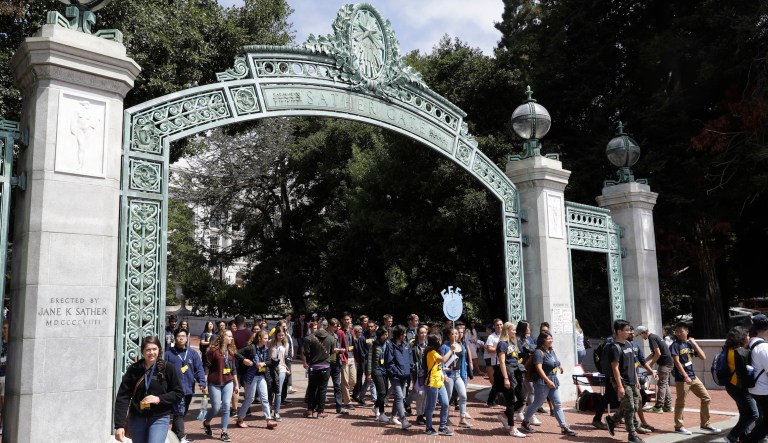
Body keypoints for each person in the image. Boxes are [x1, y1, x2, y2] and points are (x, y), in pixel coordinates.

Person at [114, 336, 183, 443]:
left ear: (159, 349)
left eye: (154, 349)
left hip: (159, 418)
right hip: (137, 418)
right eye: (148, 350)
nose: (151, 352)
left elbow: (178, 392)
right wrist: (119, 425)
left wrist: (158, 399)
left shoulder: (168, 368)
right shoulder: (134, 369)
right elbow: (123, 397)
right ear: (142, 351)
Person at [520, 332, 577, 436]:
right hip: (542, 382)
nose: (551, 340)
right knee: (537, 403)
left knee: (558, 403)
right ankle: (525, 421)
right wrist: (547, 381)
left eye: (551, 338)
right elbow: (538, 368)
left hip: (553, 380)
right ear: (542, 340)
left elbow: (554, 361)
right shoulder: (538, 352)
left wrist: (559, 366)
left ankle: (564, 427)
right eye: (548, 339)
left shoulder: (550, 350)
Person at [670, 322, 720, 436]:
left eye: (681, 331)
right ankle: (679, 426)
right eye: (676, 331)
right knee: (681, 402)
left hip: (693, 376)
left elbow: (703, 357)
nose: (678, 333)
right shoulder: (675, 345)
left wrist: (694, 343)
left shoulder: (689, 344)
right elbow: (677, 362)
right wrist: (685, 376)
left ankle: (705, 424)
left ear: (687, 331)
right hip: (682, 378)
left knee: (706, 398)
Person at [601, 320, 643, 443]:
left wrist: (636, 380)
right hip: (622, 381)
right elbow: (615, 367)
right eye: (627, 330)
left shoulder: (629, 345)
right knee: (630, 407)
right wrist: (619, 386)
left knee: (635, 406)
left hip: (631, 381)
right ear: (619, 331)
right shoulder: (615, 347)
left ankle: (612, 420)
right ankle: (632, 434)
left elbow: (633, 365)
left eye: (630, 329)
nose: (630, 332)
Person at [164, 329, 207, 443]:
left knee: (182, 412)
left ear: (187, 338)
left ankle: (174, 436)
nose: (181, 338)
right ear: (175, 338)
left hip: (188, 388)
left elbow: (199, 369)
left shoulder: (193, 354)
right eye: (179, 336)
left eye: (183, 336)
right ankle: (180, 437)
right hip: (175, 389)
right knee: (179, 411)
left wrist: (202, 382)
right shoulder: (168, 354)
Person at [721, 326, 758, 443]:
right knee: (753, 413)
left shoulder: (727, 350)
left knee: (744, 413)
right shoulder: (740, 352)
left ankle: (743, 437)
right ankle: (731, 436)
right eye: (747, 335)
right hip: (739, 387)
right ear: (741, 337)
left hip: (731, 386)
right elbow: (746, 373)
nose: (749, 337)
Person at [234, 330, 277, 429]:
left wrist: (264, 364)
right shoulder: (251, 348)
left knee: (265, 398)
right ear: (259, 339)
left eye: (267, 338)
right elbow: (236, 353)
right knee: (250, 398)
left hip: (261, 376)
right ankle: (240, 418)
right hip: (251, 376)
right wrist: (244, 360)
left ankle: (268, 420)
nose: (267, 340)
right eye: (265, 338)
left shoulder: (266, 349)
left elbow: (270, 361)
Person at [203, 329, 239, 442]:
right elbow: (207, 367)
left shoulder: (231, 351)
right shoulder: (213, 351)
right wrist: (204, 382)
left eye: (231, 337)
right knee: (216, 407)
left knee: (226, 406)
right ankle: (207, 422)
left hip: (228, 381)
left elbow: (233, 369)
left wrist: (236, 384)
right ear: (222, 337)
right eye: (229, 336)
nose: (231, 338)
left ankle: (224, 431)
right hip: (215, 382)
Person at [494, 322, 526, 437]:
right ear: (507, 330)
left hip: (517, 372)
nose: (515, 332)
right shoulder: (502, 344)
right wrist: (506, 378)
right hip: (508, 373)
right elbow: (502, 362)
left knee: (522, 399)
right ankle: (512, 428)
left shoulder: (514, 342)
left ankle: (505, 416)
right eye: (513, 330)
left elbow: (520, 356)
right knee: (511, 401)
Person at [635, 325, 673, 413]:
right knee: (665, 384)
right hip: (668, 363)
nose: (641, 337)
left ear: (642, 333)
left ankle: (658, 406)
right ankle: (667, 406)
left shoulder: (651, 338)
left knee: (662, 384)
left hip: (664, 364)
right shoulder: (655, 337)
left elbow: (658, 353)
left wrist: (651, 364)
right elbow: (653, 353)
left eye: (640, 335)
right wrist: (644, 362)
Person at [423, 333, 455, 436]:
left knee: (445, 404)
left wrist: (443, 371)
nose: (441, 341)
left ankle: (442, 427)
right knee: (431, 406)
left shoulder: (436, 352)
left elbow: (438, 365)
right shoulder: (431, 352)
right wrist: (451, 350)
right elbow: (443, 359)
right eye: (439, 340)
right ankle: (428, 427)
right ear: (435, 342)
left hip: (439, 382)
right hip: (432, 383)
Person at [743, 315, 768, 443]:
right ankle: (748, 440)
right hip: (764, 389)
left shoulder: (752, 342)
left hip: (755, 388)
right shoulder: (764, 347)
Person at [302, 320, 334, 418]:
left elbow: (306, 352)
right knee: (322, 389)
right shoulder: (331, 338)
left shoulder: (309, 338)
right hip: (325, 366)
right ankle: (320, 412)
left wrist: (311, 359)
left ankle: (310, 410)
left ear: (319, 325)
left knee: (312, 388)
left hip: (313, 366)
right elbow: (332, 353)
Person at [442, 327, 472, 428]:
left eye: (456, 334)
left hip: (458, 374)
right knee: (448, 397)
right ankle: (445, 418)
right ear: (448, 335)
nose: (455, 335)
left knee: (463, 396)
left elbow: (463, 363)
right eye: (452, 334)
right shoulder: (445, 347)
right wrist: (444, 374)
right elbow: (441, 362)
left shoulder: (461, 346)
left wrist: (464, 375)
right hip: (449, 375)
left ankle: (462, 419)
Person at [386, 325, 414, 429]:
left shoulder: (406, 345)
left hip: (404, 375)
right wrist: (395, 371)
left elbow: (410, 359)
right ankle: (403, 419)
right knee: (399, 396)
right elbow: (389, 362)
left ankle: (393, 417)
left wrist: (409, 369)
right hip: (395, 376)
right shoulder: (390, 345)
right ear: (398, 334)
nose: (405, 335)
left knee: (399, 397)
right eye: (403, 333)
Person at [515, 320, 541, 426]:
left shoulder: (529, 338)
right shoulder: (517, 340)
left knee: (526, 391)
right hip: (523, 368)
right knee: (531, 390)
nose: (529, 329)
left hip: (530, 367)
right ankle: (530, 415)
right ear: (523, 328)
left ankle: (520, 412)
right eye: (528, 327)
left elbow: (534, 347)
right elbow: (519, 353)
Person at [367, 327, 391, 423]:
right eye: (384, 334)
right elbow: (369, 360)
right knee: (381, 392)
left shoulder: (388, 344)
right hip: (376, 370)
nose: (386, 336)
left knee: (384, 392)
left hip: (385, 370)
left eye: (387, 334)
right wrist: (368, 372)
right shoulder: (373, 344)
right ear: (380, 335)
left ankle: (376, 406)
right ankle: (381, 413)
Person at [327, 318, 350, 415]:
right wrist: (332, 351)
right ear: (330, 326)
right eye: (334, 327)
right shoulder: (325, 335)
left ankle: (339, 407)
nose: (335, 329)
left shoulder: (335, 336)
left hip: (335, 362)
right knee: (323, 386)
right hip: (327, 362)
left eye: (336, 327)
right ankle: (318, 406)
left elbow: (338, 345)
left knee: (337, 386)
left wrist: (340, 350)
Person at [269, 327, 291, 421]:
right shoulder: (270, 343)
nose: (281, 337)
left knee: (278, 391)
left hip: (281, 368)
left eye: (282, 335)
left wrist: (286, 367)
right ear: (276, 334)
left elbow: (284, 357)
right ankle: (268, 409)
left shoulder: (286, 344)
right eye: (279, 335)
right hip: (271, 368)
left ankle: (276, 412)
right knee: (270, 390)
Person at [408, 325, 429, 425]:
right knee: (420, 394)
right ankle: (419, 415)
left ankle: (423, 412)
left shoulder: (428, 345)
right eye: (421, 333)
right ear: (417, 334)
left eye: (425, 332)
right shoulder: (413, 345)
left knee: (426, 394)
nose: (424, 334)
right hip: (418, 372)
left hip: (428, 373)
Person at [340, 313, 357, 410]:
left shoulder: (352, 331)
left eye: (348, 319)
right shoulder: (340, 331)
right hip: (344, 358)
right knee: (345, 381)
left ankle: (345, 394)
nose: (347, 321)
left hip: (352, 357)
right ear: (342, 320)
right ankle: (347, 401)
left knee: (353, 380)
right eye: (345, 319)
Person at [485, 319, 503, 406]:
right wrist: (499, 350)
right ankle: (491, 400)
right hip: (496, 363)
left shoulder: (505, 335)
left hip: (505, 362)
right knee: (496, 383)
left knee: (499, 382)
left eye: (500, 324)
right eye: (497, 325)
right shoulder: (491, 337)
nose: (499, 326)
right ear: (494, 326)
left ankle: (492, 400)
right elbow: (489, 349)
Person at [0, 320, 7, 435]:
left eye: (5, 328)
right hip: (0, 376)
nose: (3, 330)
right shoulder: (2, 344)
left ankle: (3, 426)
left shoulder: (13, 345)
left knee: (4, 404)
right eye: (3, 328)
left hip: (6, 378)